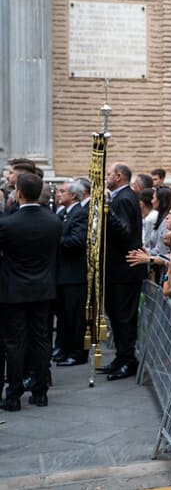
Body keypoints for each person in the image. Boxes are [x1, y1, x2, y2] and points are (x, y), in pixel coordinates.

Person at [0, 173, 62, 410]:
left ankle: (14, 394)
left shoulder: (7, 224)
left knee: (15, 343)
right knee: (42, 340)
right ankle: (40, 391)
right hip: (43, 289)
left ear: (19, 193)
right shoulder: (54, 222)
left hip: (13, 290)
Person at [98, 163, 147, 381]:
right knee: (116, 316)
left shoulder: (125, 198)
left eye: (109, 174)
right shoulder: (121, 197)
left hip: (124, 270)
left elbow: (126, 233)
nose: (107, 177)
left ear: (118, 176)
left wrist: (107, 212)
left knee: (124, 317)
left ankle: (128, 360)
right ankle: (121, 356)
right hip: (115, 270)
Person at [54, 180, 90, 367]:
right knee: (64, 317)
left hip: (74, 276)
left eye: (62, 191)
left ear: (73, 195)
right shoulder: (65, 214)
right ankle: (64, 348)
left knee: (75, 318)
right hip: (63, 275)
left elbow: (77, 241)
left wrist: (53, 238)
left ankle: (77, 353)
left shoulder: (80, 214)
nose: (58, 194)